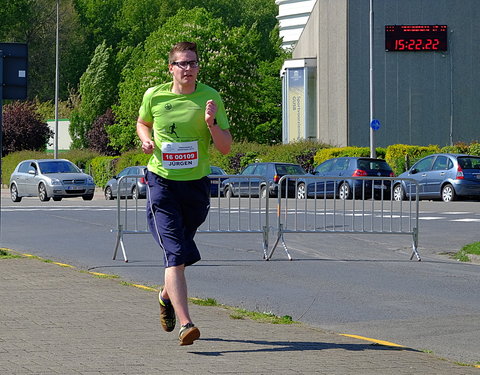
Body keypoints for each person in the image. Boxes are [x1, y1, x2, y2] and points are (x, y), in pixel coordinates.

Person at [136, 41, 232, 346]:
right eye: (182, 63)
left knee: (181, 253)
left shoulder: (211, 97)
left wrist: (211, 124)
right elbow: (141, 123)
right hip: (160, 183)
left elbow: (226, 147)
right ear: (171, 68)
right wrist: (146, 140)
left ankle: (165, 296)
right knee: (175, 255)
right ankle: (186, 323)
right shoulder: (154, 95)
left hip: (196, 185)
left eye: (193, 63)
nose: (188, 68)